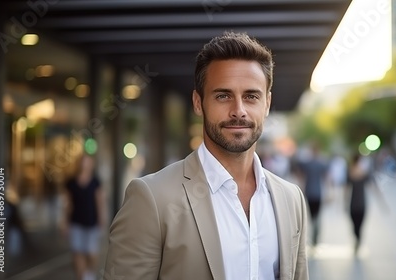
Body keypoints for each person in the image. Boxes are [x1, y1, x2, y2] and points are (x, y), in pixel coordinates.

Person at [104, 31, 308, 280]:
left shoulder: (290, 198)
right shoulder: (152, 199)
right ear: (198, 102)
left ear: (266, 104)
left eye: (251, 96)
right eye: (223, 95)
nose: (238, 111)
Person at [63, 154, 105, 280]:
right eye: (82, 162)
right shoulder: (71, 182)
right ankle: (81, 276)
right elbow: (67, 204)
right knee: (77, 252)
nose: (84, 165)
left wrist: (102, 219)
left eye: (87, 162)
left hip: (91, 222)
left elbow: (100, 202)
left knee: (91, 253)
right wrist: (64, 222)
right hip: (75, 222)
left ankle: (89, 273)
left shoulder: (96, 182)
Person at [345, 153, 387, 253]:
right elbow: (346, 188)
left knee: (356, 224)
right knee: (357, 224)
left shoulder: (358, 173)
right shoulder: (353, 172)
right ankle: (358, 239)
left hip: (356, 203)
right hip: (358, 202)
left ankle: (357, 239)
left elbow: (346, 189)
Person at [296, 142, 328, 247]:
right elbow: (326, 177)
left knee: (311, 216)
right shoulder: (321, 164)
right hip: (318, 192)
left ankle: (313, 236)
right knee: (317, 216)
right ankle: (315, 237)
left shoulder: (308, 164)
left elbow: (299, 171)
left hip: (309, 192)